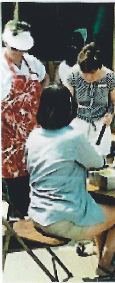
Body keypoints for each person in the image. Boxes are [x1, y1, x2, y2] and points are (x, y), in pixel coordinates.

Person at [25, 84, 115, 277]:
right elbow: (98, 162)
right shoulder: (73, 137)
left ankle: (101, 259)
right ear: (70, 108)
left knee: (99, 205)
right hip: (62, 220)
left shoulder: (34, 136)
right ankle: (105, 265)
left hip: (37, 214)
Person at [1, 19, 50, 216]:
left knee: (34, 174)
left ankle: (32, 222)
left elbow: (45, 78)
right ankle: (14, 226)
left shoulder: (33, 63)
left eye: (21, 49)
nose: (18, 53)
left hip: (32, 131)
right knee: (11, 179)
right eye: (14, 49)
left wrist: (43, 98)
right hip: (7, 136)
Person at [64, 42, 115, 157]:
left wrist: (110, 114)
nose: (89, 78)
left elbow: (114, 101)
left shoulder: (109, 77)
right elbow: (66, 99)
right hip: (79, 121)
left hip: (100, 124)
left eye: (93, 73)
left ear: (99, 67)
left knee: (98, 159)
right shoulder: (73, 75)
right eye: (85, 74)